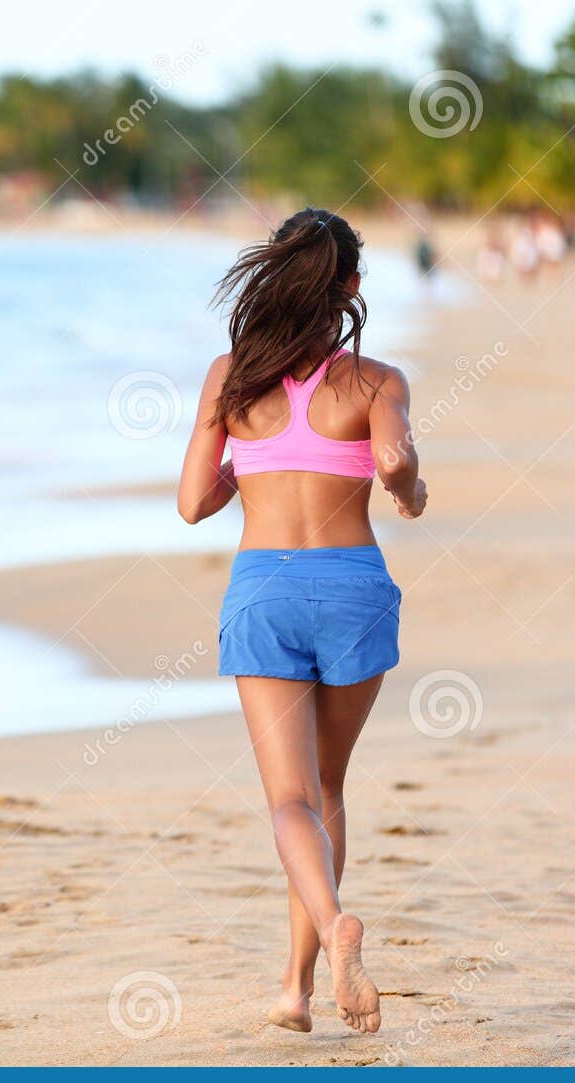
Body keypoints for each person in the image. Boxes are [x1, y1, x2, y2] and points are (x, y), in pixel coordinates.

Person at [177, 207, 427, 1036]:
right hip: (353, 584)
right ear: (351, 287)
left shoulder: (229, 377)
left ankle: (319, 948)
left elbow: (191, 503)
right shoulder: (376, 381)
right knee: (327, 789)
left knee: (287, 798)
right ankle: (297, 984)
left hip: (264, 591)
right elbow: (400, 474)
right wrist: (405, 480)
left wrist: (244, 475)